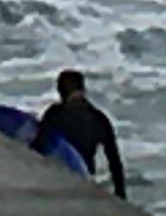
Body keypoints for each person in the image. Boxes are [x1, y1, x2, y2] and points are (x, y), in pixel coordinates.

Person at [30, 68, 125, 197]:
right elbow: (114, 162)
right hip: (85, 179)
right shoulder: (99, 119)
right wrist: (120, 194)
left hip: (57, 178)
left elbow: (39, 147)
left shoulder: (54, 114)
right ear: (83, 89)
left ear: (60, 91)